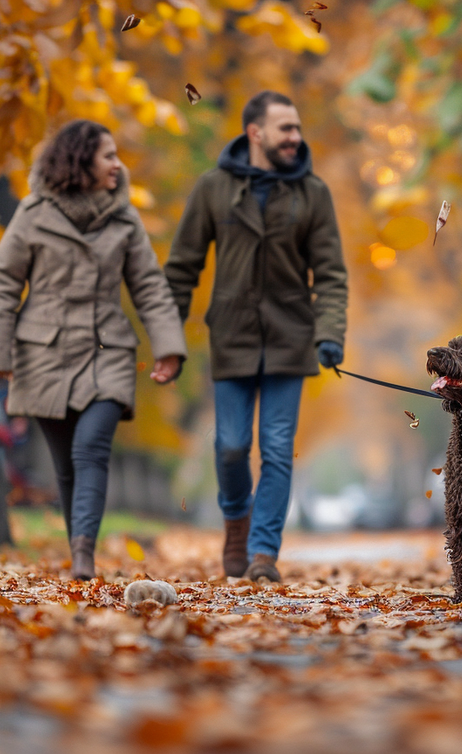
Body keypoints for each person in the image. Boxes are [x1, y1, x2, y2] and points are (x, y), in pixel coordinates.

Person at [0, 120, 187, 580]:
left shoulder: (125, 218)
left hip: (106, 347)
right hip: (43, 353)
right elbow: (3, 283)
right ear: (79, 160)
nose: (118, 164)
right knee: (65, 465)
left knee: (91, 449)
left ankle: (85, 554)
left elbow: (149, 285)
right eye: (108, 155)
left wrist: (168, 347)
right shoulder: (33, 214)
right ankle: (79, 557)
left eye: (117, 155)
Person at [165, 91, 348, 583]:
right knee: (229, 445)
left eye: (297, 127)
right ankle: (236, 524)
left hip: (292, 339)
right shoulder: (213, 189)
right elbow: (182, 267)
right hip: (232, 336)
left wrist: (329, 333)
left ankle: (264, 551)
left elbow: (331, 274)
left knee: (275, 445)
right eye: (285, 127)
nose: (295, 136)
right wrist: (168, 338)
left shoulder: (313, 193)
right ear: (256, 133)